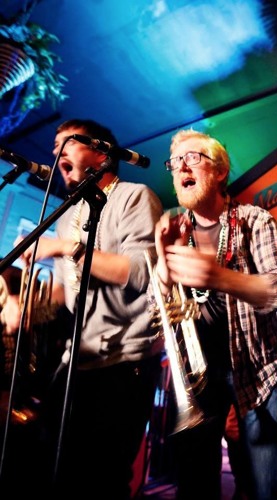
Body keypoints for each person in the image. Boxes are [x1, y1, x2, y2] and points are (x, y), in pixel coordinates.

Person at [13, 119, 165, 498]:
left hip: (125, 360)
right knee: (53, 464)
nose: (55, 153)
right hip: (79, 358)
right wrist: (26, 307)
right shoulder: (68, 215)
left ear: (100, 153)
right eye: (54, 147)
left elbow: (139, 272)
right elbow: (65, 291)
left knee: (104, 476)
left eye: (65, 143)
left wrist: (67, 248)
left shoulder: (134, 196)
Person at [153, 129, 277, 499]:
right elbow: (156, 317)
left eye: (192, 158)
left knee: (262, 487)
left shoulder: (255, 220)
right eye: (175, 162)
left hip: (253, 370)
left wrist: (219, 277)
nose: (181, 167)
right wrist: (163, 265)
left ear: (220, 171)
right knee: (194, 487)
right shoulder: (175, 227)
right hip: (197, 379)